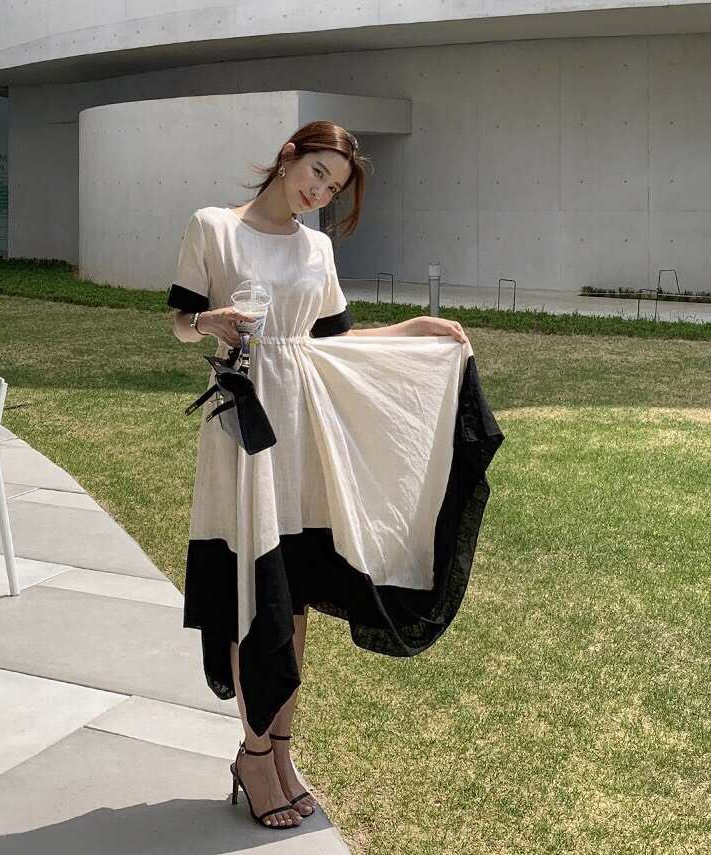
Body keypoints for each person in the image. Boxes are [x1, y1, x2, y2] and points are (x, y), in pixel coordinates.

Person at [168, 121, 503, 830]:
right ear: (289, 156)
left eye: (333, 188)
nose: (319, 193)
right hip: (243, 432)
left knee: (293, 596)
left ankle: (280, 754)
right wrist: (209, 323)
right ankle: (254, 755)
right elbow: (179, 320)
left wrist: (414, 330)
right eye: (317, 173)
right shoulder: (213, 227)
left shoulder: (316, 248)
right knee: (254, 593)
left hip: (305, 435)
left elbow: (335, 343)